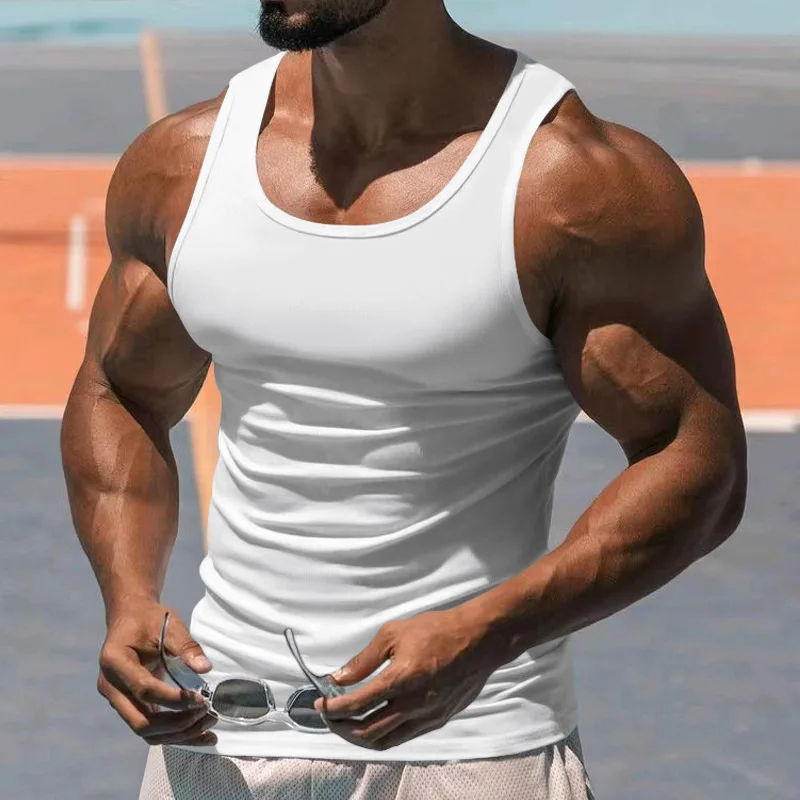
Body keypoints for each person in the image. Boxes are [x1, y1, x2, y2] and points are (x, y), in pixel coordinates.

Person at [61, 1, 748, 797]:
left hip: (476, 749)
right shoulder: (182, 164)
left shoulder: (572, 183)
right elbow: (120, 391)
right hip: (214, 740)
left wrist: (492, 632)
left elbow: (697, 462)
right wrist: (129, 595)